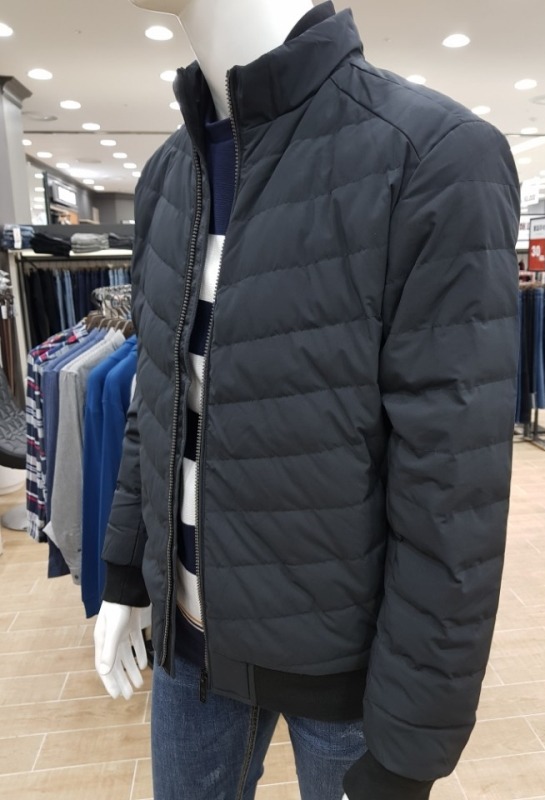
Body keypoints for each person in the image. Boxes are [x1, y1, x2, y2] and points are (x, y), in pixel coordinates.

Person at [94, 1, 521, 798]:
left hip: (346, 682)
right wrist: (126, 573)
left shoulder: (432, 155)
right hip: (189, 648)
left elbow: (453, 490)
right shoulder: (167, 175)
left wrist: (411, 744)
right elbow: (156, 404)